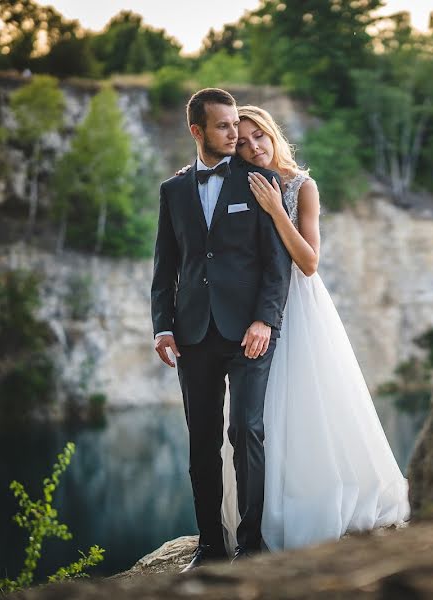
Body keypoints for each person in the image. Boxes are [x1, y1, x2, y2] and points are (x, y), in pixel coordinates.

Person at [183, 105, 410, 552]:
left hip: (297, 304)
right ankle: (263, 516)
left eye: (259, 137)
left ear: (273, 135)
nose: (252, 147)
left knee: (307, 408)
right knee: (259, 420)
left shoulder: (302, 187)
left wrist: (274, 209)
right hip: (249, 314)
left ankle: (313, 504)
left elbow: (308, 262)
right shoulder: (239, 179)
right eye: (242, 141)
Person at [151, 89, 292, 572]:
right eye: (224, 127)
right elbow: (165, 267)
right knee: (202, 439)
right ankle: (210, 545)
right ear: (197, 131)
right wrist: (162, 328)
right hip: (192, 334)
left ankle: (251, 546)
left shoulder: (261, 181)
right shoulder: (172, 191)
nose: (236, 134)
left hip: (249, 331)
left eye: (237, 124)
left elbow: (278, 265)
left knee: (245, 429)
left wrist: (264, 319)